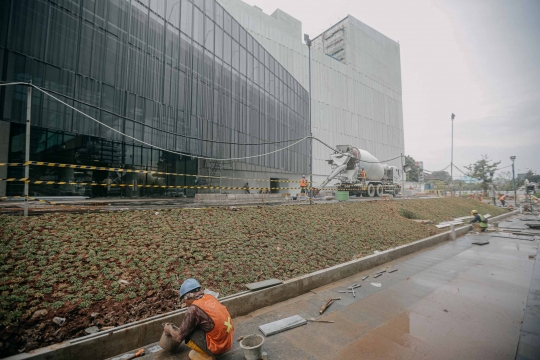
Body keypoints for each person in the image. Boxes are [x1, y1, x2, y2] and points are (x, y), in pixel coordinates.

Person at [163, 279, 234, 360]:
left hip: (218, 347)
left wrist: (169, 329)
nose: (185, 303)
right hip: (228, 342)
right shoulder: (209, 297)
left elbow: (179, 337)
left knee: (187, 331)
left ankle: (207, 355)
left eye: (184, 300)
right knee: (194, 324)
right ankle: (210, 349)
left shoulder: (193, 309)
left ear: (188, 296)